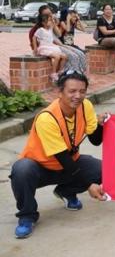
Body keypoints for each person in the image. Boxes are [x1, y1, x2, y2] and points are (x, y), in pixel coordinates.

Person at [10, 70, 107, 239]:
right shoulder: (47, 118)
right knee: (21, 169)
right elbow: (63, 158)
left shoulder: (86, 106)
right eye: (72, 91)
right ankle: (27, 216)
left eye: (82, 91)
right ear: (60, 92)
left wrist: (101, 125)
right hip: (41, 168)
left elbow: (95, 141)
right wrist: (89, 185)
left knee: (104, 170)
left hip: (69, 165)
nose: (78, 96)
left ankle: (66, 191)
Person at [29, 5, 87, 73]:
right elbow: (34, 42)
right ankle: (69, 74)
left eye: (50, 13)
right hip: (49, 48)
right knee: (72, 56)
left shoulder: (51, 24)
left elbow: (59, 34)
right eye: (46, 14)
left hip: (58, 45)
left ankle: (81, 73)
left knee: (80, 54)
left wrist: (54, 24)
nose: (49, 16)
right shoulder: (38, 29)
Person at [32, 14, 67, 82]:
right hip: (44, 47)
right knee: (57, 56)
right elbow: (34, 37)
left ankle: (60, 71)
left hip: (51, 46)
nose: (51, 22)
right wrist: (35, 48)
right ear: (43, 23)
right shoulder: (41, 30)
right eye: (49, 21)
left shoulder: (50, 29)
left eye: (51, 21)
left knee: (64, 56)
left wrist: (53, 19)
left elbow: (56, 22)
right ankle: (53, 73)